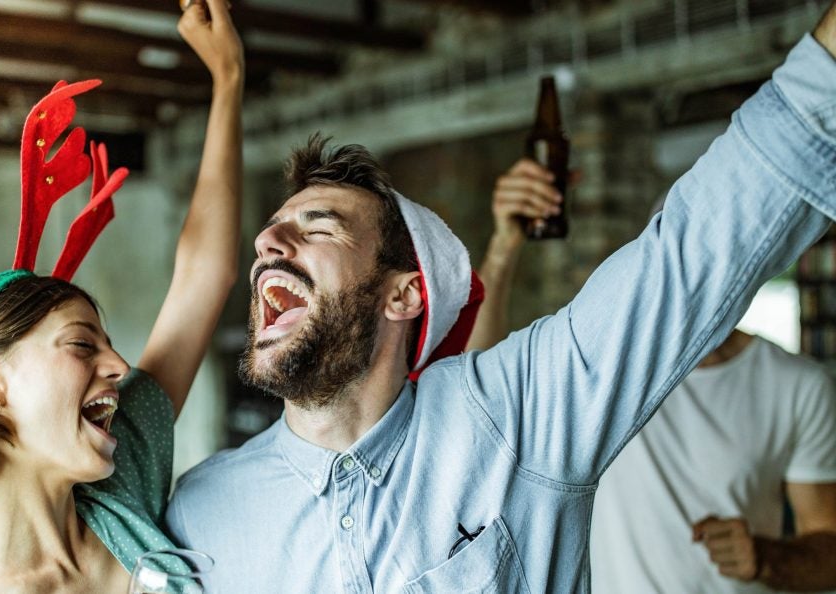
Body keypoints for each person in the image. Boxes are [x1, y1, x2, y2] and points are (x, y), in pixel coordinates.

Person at [164, 5, 836, 592]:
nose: (267, 241)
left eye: (318, 227)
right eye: (272, 230)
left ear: (403, 295)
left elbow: (691, 254)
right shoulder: (200, 513)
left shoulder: (515, 416)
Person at [0, 0, 243, 591]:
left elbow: (202, 279)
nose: (118, 366)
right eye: (81, 344)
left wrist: (228, 83)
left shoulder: (117, 486)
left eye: (106, 345)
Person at [469, 159, 836, 592]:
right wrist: (502, 248)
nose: (692, 279)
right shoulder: (603, 361)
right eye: (675, 261)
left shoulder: (797, 386)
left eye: (708, 258)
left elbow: (829, 550)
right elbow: (476, 394)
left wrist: (765, 556)